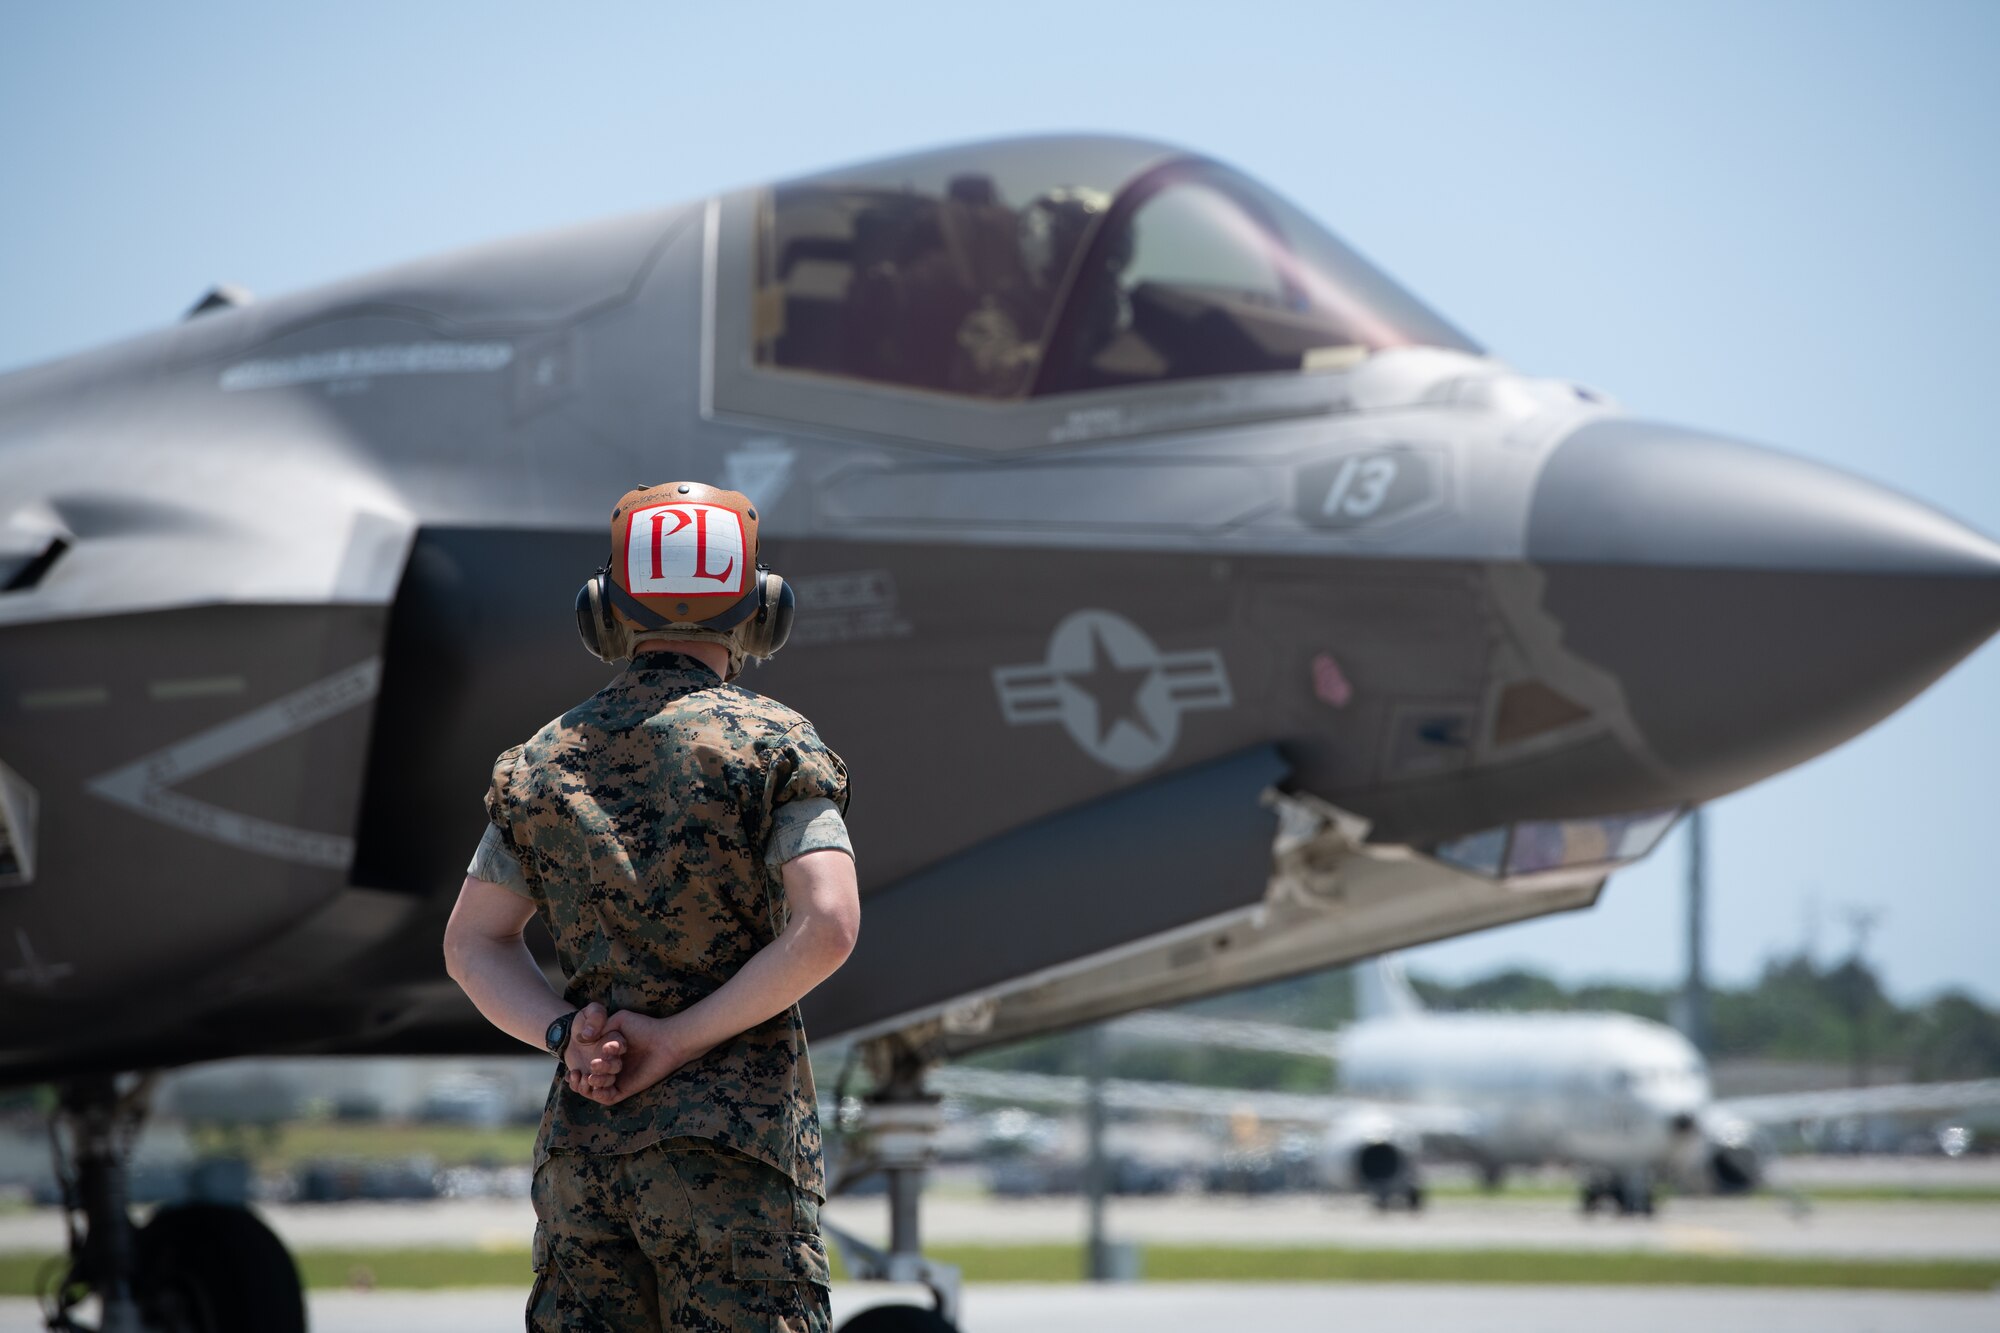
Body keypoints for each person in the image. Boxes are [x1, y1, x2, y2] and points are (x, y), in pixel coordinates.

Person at [443, 481, 859, 1332]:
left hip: (585, 1158)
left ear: (606, 610)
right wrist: (677, 1039)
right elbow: (828, 924)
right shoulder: (777, 745)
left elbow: (472, 944)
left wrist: (568, 1035)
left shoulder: (540, 760)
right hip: (733, 1164)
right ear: (761, 608)